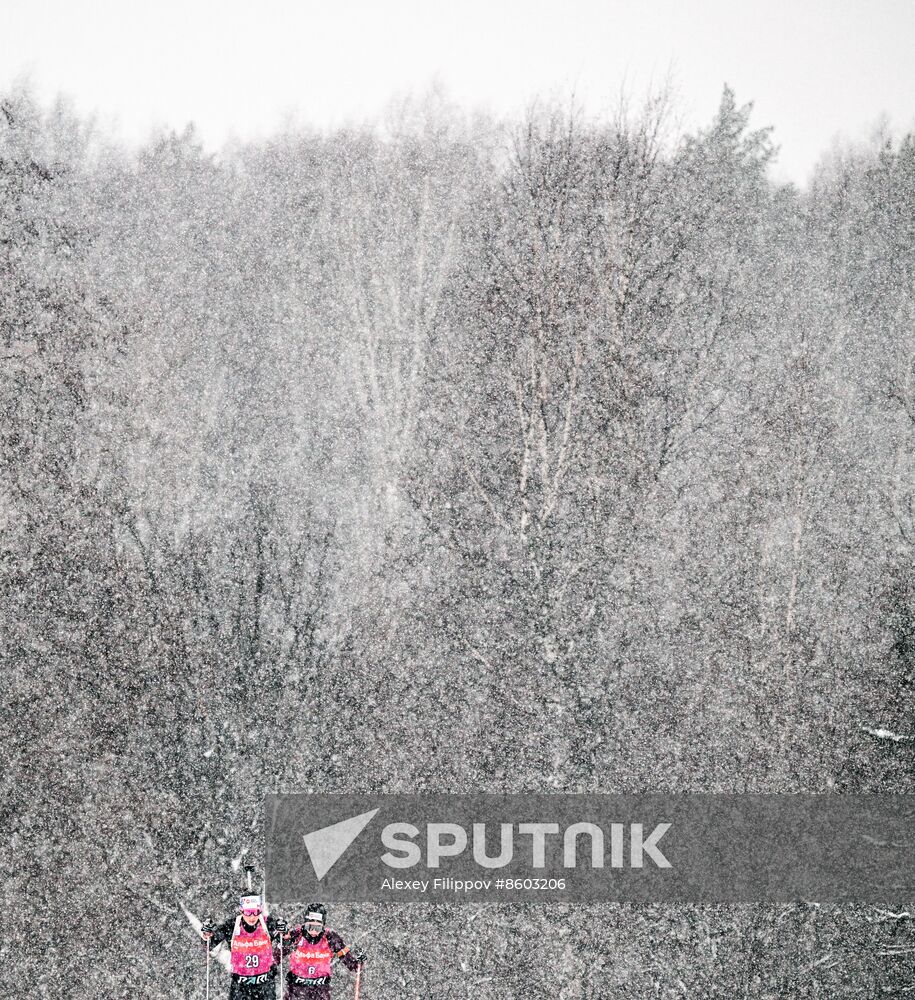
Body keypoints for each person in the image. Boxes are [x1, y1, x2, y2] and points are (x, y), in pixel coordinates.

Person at [202, 895, 285, 999]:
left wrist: (284, 931)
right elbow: (209, 944)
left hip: (265, 986)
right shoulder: (231, 926)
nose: (252, 916)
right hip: (240, 988)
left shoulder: (268, 924)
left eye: (256, 911)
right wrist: (207, 934)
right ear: (241, 910)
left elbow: (286, 943)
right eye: (248, 912)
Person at [284, 903, 366, 1000]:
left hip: (320, 990)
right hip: (296, 990)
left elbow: (350, 963)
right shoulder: (297, 935)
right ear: (305, 924)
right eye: (310, 927)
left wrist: (358, 962)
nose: (313, 932)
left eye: (317, 928)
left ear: (323, 925)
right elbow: (277, 955)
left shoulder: (330, 937)